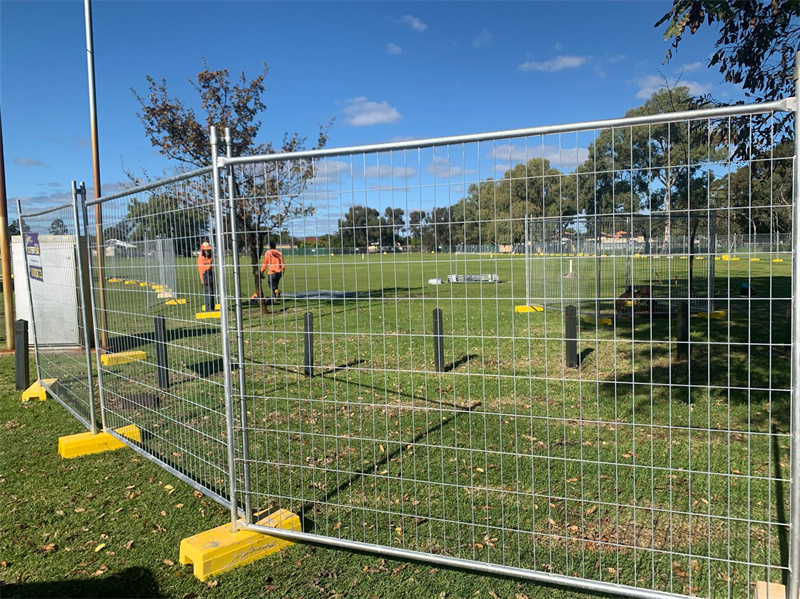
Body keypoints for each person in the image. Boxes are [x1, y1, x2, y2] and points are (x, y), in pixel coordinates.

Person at [197, 241, 216, 311]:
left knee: (212, 292)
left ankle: (212, 307)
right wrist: (210, 266)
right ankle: (208, 308)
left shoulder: (210, 256)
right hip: (205, 276)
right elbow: (203, 268)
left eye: (208, 250)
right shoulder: (201, 258)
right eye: (206, 250)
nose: (207, 251)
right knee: (208, 292)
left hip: (210, 274)